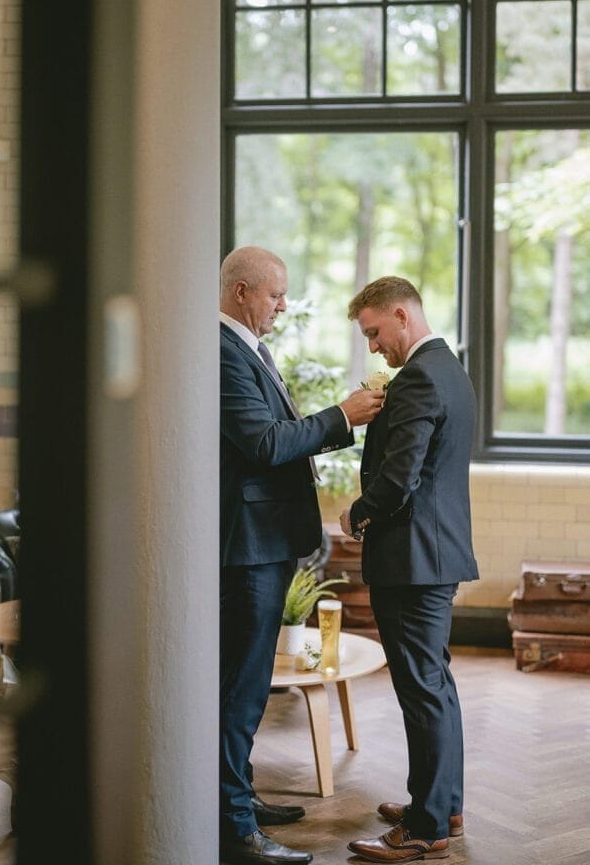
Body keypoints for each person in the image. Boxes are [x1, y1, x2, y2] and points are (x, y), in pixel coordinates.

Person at [220, 246, 384, 865]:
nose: (284, 306)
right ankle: (232, 828)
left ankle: (235, 793)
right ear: (242, 292)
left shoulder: (248, 349)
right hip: (248, 548)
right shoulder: (222, 350)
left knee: (250, 681)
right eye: (276, 294)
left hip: (268, 541)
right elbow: (263, 444)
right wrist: (342, 415)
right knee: (239, 687)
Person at [340, 276, 479, 864]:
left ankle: (424, 829)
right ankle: (441, 802)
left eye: (374, 332)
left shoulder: (419, 377)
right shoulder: (449, 368)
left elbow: (400, 479)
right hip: (435, 555)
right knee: (435, 686)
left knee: (422, 691)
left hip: (414, 560)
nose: (373, 346)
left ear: (401, 315)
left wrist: (358, 514)